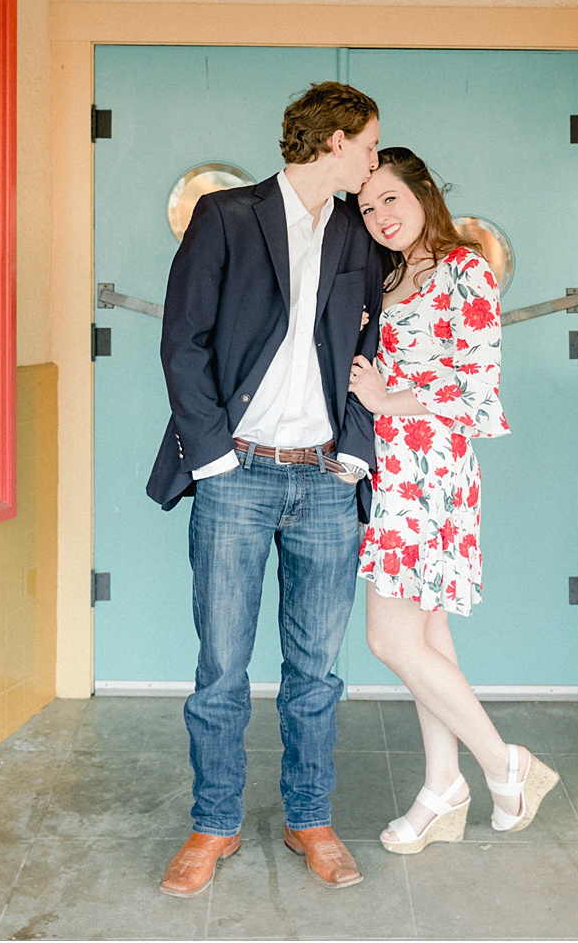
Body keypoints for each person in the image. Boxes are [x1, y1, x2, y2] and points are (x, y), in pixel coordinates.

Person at [147, 82, 384, 893]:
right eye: (369, 145)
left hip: (325, 477)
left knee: (315, 670)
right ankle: (213, 826)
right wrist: (212, 459)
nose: (374, 160)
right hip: (235, 473)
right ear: (334, 141)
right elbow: (183, 343)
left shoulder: (357, 232)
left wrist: (353, 454)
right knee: (221, 666)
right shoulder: (227, 216)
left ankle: (309, 819)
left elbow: (371, 352)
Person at [349, 147, 558, 854]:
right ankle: (443, 786)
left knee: (390, 638)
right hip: (392, 467)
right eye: (367, 205)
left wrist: (385, 397)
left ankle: (506, 765)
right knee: (426, 637)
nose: (379, 216)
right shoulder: (388, 277)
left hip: (430, 470)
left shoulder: (463, 269)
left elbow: (477, 393)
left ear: (422, 194)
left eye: (389, 199)